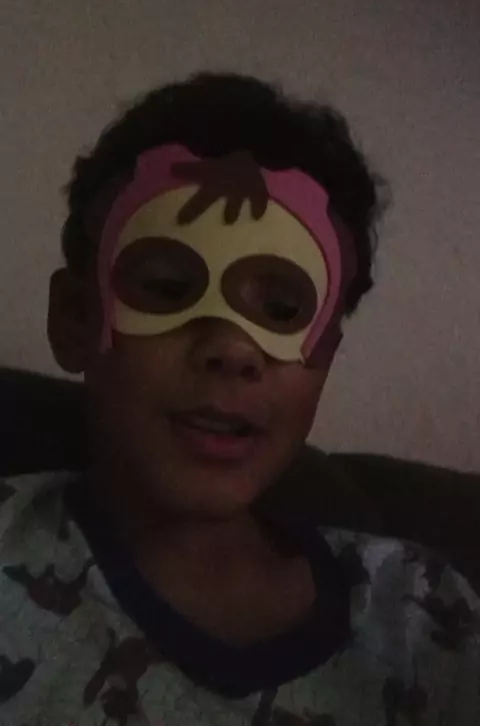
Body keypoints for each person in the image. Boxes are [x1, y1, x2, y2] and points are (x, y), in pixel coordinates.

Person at [1, 73, 478, 724]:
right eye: (169, 288)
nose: (232, 347)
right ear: (76, 319)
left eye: (281, 310)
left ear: (324, 358)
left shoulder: (425, 614)